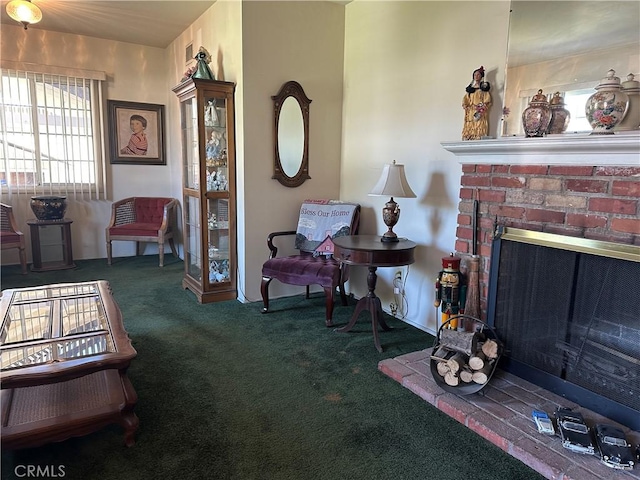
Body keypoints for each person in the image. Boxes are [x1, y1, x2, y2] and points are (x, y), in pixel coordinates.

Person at [461, 66, 492, 140]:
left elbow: (487, 100)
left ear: (481, 76)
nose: (476, 76)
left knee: (479, 123)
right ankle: (469, 136)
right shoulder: (470, 89)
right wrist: (466, 106)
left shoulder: (483, 89)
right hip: (470, 111)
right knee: (470, 123)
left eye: (478, 74)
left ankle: (478, 136)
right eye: (475, 75)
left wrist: (482, 107)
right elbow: (466, 99)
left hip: (479, 111)